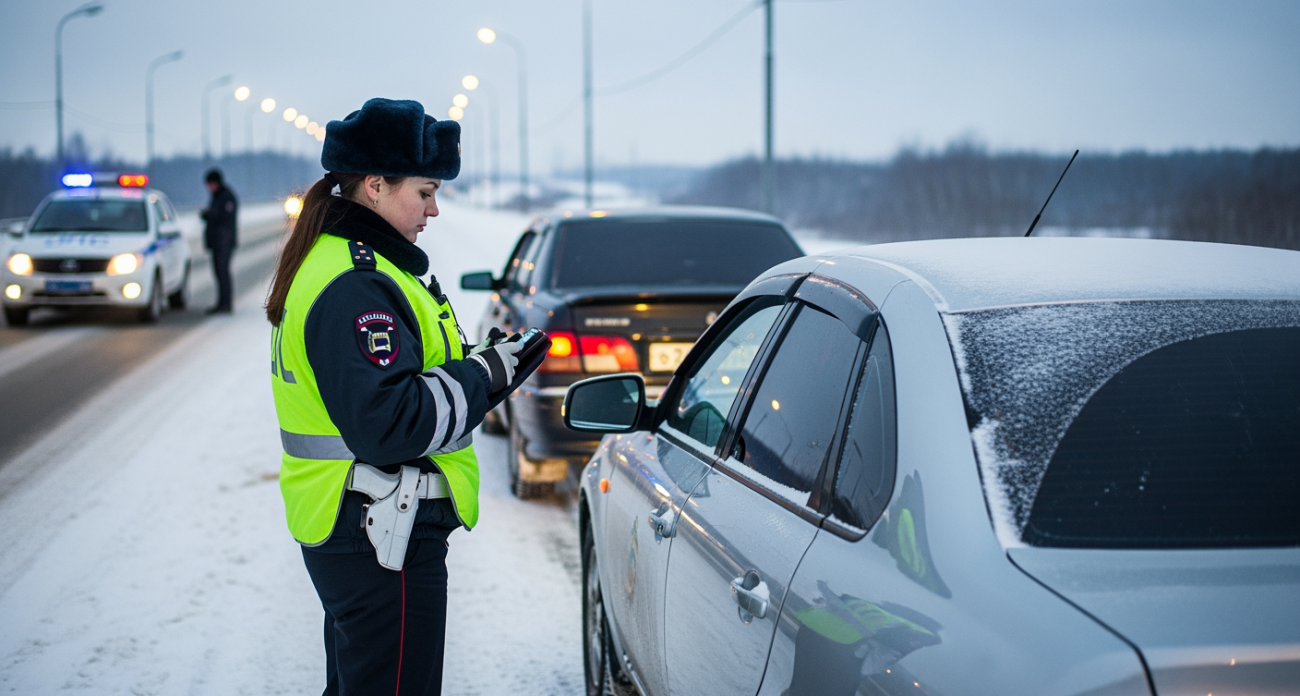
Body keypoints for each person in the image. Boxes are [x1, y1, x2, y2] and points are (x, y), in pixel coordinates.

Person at [266, 98, 525, 696]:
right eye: (426, 192)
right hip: (381, 533)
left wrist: (487, 368)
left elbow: (401, 384)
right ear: (376, 186)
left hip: (363, 527)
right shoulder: (358, 282)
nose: (435, 209)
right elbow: (389, 422)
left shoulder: (352, 263)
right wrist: (484, 376)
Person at [200, 168, 238, 314]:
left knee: (223, 273)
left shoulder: (226, 197)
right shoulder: (218, 196)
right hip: (218, 242)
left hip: (224, 242)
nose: (209, 187)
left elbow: (225, 217)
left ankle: (225, 304)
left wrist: (209, 215)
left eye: (210, 184)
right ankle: (222, 303)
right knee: (219, 273)